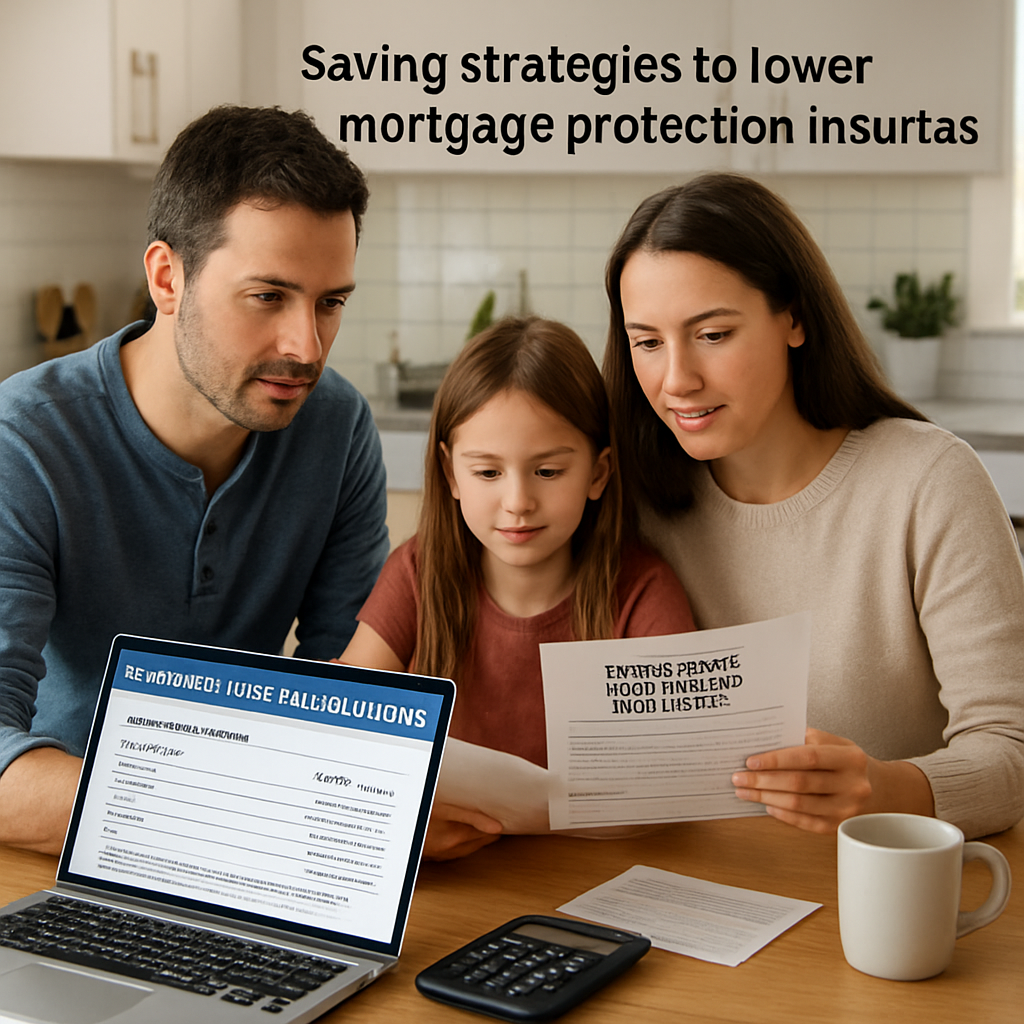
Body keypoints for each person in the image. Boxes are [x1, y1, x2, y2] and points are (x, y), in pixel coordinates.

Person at [0, 106, 389, 854]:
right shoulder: (25, 441)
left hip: (250, 851)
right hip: (55, 853)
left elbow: (347, 685)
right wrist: (247, 802)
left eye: (330, 302)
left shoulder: (336, 427)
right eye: (268, 296)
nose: (306, 347)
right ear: (166, 276)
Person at [602, 172, 1024, 841]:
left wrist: (887, 790)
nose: (676, 379)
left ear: (793, 318)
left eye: (712, 334)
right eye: (647, 342)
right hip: (692, 886)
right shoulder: (631, 499)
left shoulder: (930, 482)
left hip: (875, 903)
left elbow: (1011, 755)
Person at [341, 316, 695, 858]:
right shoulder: (417, 571)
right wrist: (400, 824)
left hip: (602, 874)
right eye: (487, 473)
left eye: (548, 472)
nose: (518, 502)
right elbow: (337, 716)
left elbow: (680, 775)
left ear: (598, 473)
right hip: (457, 874)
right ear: (450, 474)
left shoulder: (643, 591)